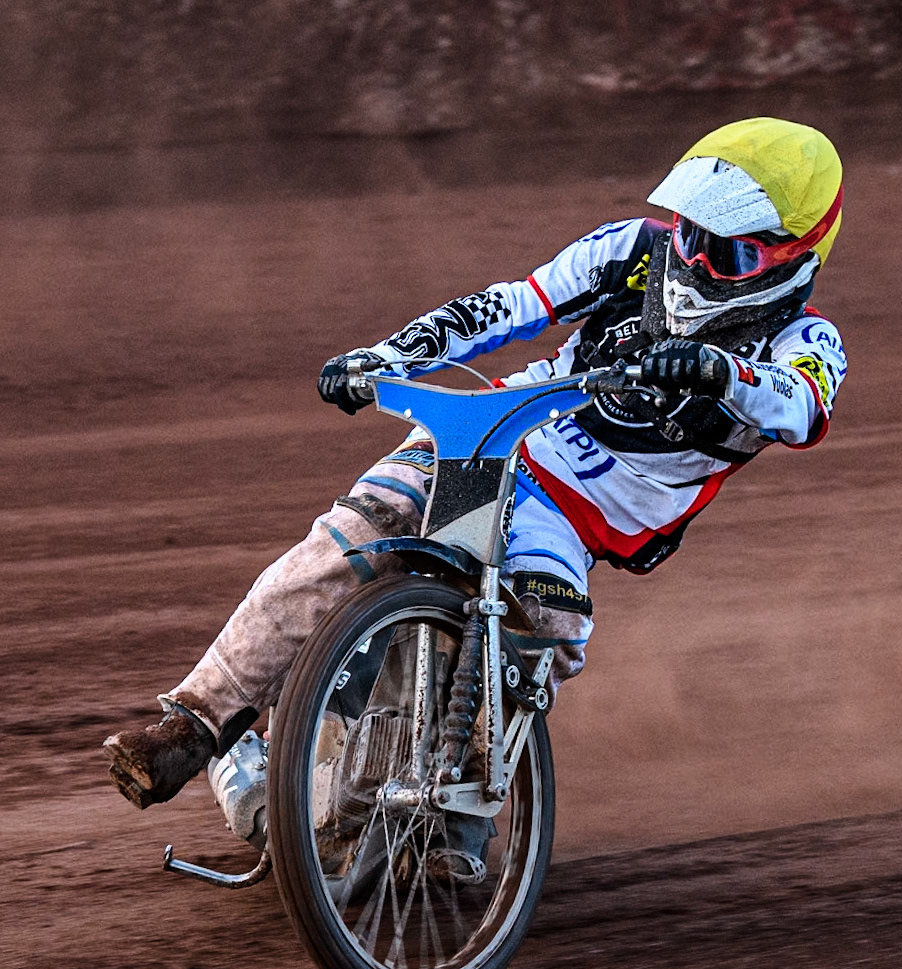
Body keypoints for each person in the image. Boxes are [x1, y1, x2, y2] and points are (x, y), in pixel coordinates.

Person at [104, 117, 849, 863]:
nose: (693, 256)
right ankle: (190, 728)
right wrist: (387, 354)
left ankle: (457, 809)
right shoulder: (629, 250)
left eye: (729, 248)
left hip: (571, 517)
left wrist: (723, 372)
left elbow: (800, 404)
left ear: (793, 258)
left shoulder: (806, 344)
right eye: (688, 232)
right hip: (496, 436)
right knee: (354, 537)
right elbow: (510, 305)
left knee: (549, 628)